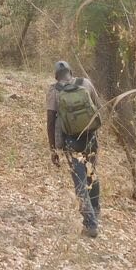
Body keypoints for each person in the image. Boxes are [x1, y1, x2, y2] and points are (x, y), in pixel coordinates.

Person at [46, 60, 104, 237]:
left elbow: (50, 122)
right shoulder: (85, 83)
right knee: (91, 173)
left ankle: (90, 224)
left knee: (79, 181)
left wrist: (53, 149)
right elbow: (97, 107)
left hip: (70, 141)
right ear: (71, 72)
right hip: (90, 137)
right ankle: (95, 210)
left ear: (56, 76)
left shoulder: (54, 91)